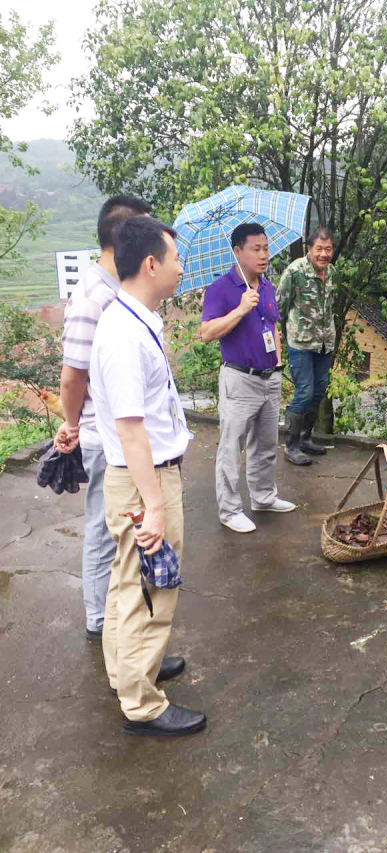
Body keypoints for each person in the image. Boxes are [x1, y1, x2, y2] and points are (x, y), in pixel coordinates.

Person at [90, 216, 206, 736]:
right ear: (152, 263)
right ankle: (142, 702)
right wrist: (156, 506)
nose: (182, 270)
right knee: (151, 592)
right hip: (143, 480)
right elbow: (132, 431)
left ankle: (130, 670)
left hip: (141, 478)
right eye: (176, 260)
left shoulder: (135, 320)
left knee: (128, 585)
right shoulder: (123, 335)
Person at [53, 195, 151, 640]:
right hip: (100, 435)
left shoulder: (121, 291)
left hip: (123, 434)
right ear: (125, 237)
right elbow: (73, 376)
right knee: (101, 527)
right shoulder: (93, 296)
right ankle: (99, 621)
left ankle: (123, 625)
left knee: (126, 534)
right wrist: (71, 426)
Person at [200, 223, 296, 534]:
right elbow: (206, 333)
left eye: (266, 248)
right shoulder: (221, 289)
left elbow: (274, 327)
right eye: (256, 249)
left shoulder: (266, 286)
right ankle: (229, 511)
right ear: (237, 251)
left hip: (269, 378)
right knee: (232, 447)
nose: (264, 254)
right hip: (239, 379)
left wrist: (278, 364)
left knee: (266, 443)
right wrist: (240, 310)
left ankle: (263, 497)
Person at [276, 226, 336, 465]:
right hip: (300, 342)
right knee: (304, 392)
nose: (323, 254)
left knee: (319, 391)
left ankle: (305, 438)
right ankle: (291, 445)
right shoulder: (295, 272)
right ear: (309, 249)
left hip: (324, 343)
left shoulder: (332, 273)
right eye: (319, 249)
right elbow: (279, 305)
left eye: (328, 249)